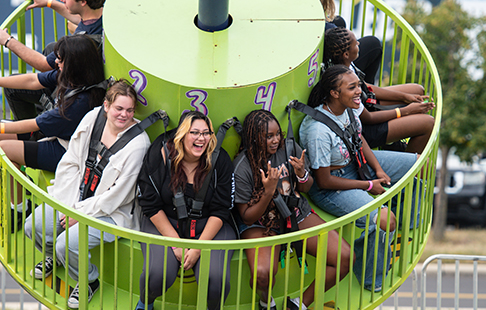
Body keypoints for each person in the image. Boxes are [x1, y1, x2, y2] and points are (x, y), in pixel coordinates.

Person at [24, 80, 150, 308]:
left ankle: (88, 280)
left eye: (130, 110)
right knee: (34, 226)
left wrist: (79, 213)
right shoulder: (93, 118)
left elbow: (117, 197)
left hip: (110, 212)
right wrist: (70, 203)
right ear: (106, 106)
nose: (124, 115)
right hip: (77, 196)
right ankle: (57, 257)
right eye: (119, 109)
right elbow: (71, 159)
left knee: (67, 243)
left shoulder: (138, 145)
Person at [299, 65, 419, 292]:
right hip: (333, 184)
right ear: (334, 93)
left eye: (358, 86)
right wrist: (368, 185)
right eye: (352, 87)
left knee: (417, 164)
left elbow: (357, 137)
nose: (359, 92)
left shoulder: (349, 108)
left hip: (356, 164)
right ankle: (371, 278)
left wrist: (378, 169)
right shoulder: (318, 132)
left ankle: (406, 225)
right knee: (385, 220)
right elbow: (324, 181)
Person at [233, 109, 351, 310]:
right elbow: (246, 217)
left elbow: (305, 187)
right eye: (268, 136)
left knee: (344, 257)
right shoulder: (242, 166)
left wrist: (302, 173)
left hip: (294, 214)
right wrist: (268, 192)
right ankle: (265, 301)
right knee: (262, 274)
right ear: (253, 137)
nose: (276, 140)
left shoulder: (289, 148)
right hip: (260, 223)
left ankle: (299, 305)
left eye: (277, 134)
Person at [0, 34, 106, 231]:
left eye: (60, 59)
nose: (55, 61)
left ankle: (21, 208)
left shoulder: (79, 103)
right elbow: (33, 80)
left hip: (68, 151)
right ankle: (20, 184)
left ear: (74, 62)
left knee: (4, 149)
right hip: (54, 134)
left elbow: (32, 124)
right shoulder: (73, 75)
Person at [136, 111, 236, 310]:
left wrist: (198, 247)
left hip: (208, 226)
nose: (201, 138)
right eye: (195, 132)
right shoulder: (161, 153)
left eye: (206, 133)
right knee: (158, 274)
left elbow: (221, 209)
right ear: (181, 135)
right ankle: (145, 304)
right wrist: (176, 244)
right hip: (166, 221)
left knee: (215, 280)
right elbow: (149, 203)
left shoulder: (219, 159)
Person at [0, 0, 110, 120]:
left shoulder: (81, 41)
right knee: (51, 48)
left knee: (13, 86)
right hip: (88, 87)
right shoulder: (104, 16)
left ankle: (30, 134)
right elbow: (82, 20)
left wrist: (7, 40)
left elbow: (43, 64)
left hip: (75, 99)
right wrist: (49, 3)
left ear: (83, 2)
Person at [324, 26, 435, 153]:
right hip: (365, 129)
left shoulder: (347, 65)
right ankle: (405, 165)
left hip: (366, 105)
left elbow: (366, 87)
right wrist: (405, 111)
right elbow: (369, 118)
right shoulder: (343, 82)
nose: (359, 43)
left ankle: (393, 143)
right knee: (428, 123)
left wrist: (404, 97)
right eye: (355, 43)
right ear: (346, 54)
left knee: (417, 90)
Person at [300, 0, 382, 83]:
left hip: (312, 70)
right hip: (331, 75)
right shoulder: (329, 28)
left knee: (339, 22)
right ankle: (365, 92)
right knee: (374, 44)